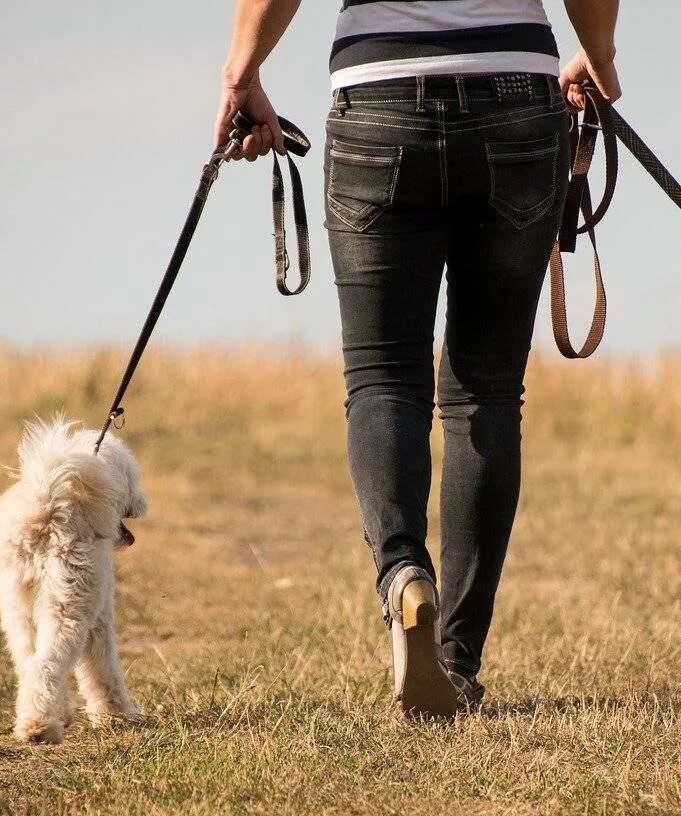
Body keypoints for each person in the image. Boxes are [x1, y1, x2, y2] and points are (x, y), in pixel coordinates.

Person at [215, 0, 622, 719]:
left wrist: (241, 70)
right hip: (517, 96)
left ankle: (404, 572)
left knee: (382, 376)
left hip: (379, 95)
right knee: (486, 390)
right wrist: (601, 53)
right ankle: (457, 663)